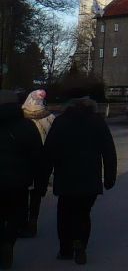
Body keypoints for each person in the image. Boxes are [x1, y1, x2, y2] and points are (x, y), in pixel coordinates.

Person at [38, 97, 116, 266]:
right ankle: (80, 245)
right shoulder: (97, 122)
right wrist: (110, 176)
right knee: (83, 213)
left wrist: (42, 181)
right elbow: (109, 150)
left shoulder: (61, 122)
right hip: (90, 176)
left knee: (65, 212)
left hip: (66, 176)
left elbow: (49, 152)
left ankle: (65, 249)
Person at [0, 98, 44, 270]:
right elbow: (38, 157)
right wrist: (39, 183)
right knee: (16, 215)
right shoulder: (27, 127)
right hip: (19, 181)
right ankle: (8, 241)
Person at [19, 91, 52, 239]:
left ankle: (21, 222)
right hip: (43, 160)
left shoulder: (20, 118)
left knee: (21, 192)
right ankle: (33, 221)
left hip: (24, 159)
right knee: (37, 193)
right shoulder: (50, 117)